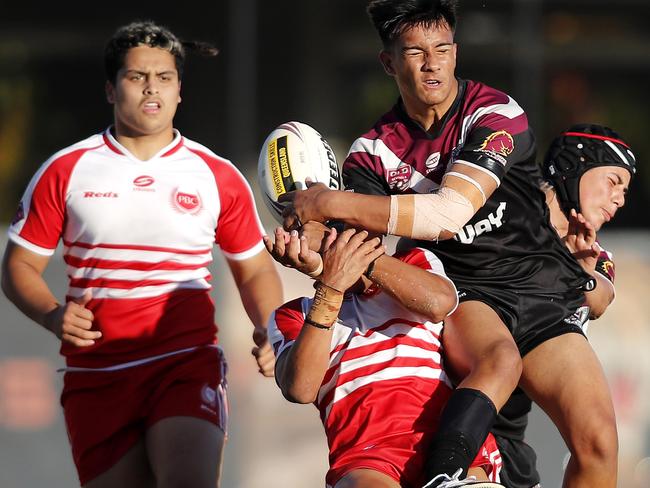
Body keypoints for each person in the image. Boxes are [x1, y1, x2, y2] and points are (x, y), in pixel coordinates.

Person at [280, 1, 619, 486]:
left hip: (541, 292)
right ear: (388, 62)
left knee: (599, 443)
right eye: (415, 52)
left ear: (456, 53)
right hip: (463, 296)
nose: (431, 63)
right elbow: (361, 258)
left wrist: (329, 203)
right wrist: (315, 246)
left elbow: (447, 214)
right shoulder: (371, 153)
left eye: (442, 49)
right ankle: (446, 477)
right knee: (496, 371)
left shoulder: (495, 112)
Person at [1, 21, 282, 488]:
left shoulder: (216, 175)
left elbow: (253, 269)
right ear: (111, 90)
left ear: (179, 92)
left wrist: (270, 326)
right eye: (136, 77)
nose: (151, 87)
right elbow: (18, 267)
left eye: (164, 77)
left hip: (185, 362)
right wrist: (52, 315)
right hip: (98, 373)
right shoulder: (66, 169)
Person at [266, 225, 504, 488]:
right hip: (366, 458)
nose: (344, 235)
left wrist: (354, 261)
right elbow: (301, 388)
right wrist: (331, 286)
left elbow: (438, 303)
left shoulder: (415, 261)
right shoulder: (293, 314)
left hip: (444, 440)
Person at [493, 123, 635, 488]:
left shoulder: (595, 253)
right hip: (447, 402)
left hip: (508, 433)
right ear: (576, 165)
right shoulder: (501, 214)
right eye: (613, 181)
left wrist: (580, 271)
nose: (620, 198)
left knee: (601, 445)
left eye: (625, 190)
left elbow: (600, 297)